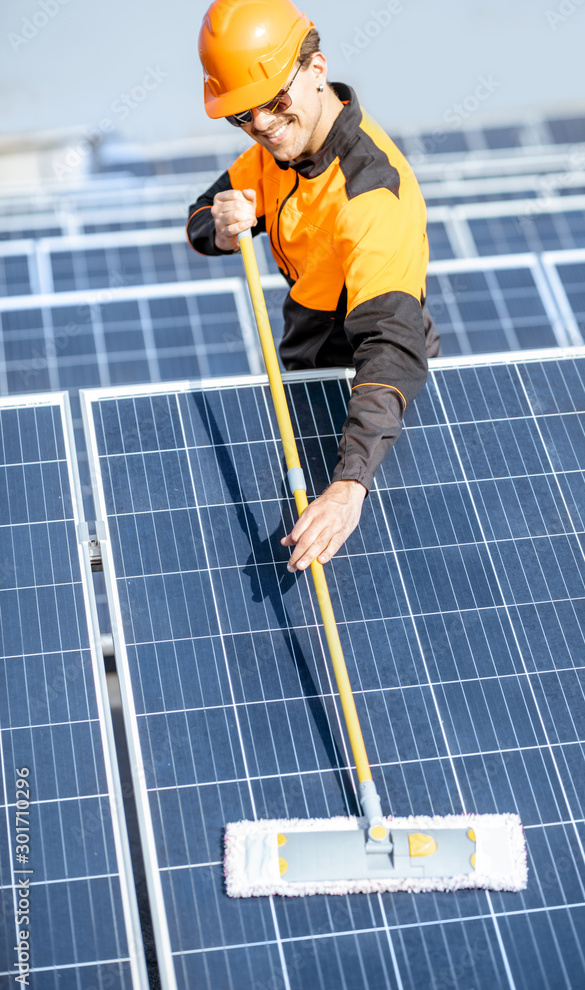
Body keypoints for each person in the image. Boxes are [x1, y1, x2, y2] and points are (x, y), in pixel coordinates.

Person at [187, 0, 439, 573]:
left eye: (276, 103)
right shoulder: (278, 152)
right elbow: (201, 215)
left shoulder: (372, 196)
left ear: (317, 68)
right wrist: (221, 229)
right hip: (310, 372)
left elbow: (392, 350)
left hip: (371, 400)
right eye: (245, 116)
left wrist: (349, 486)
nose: (264, 127)